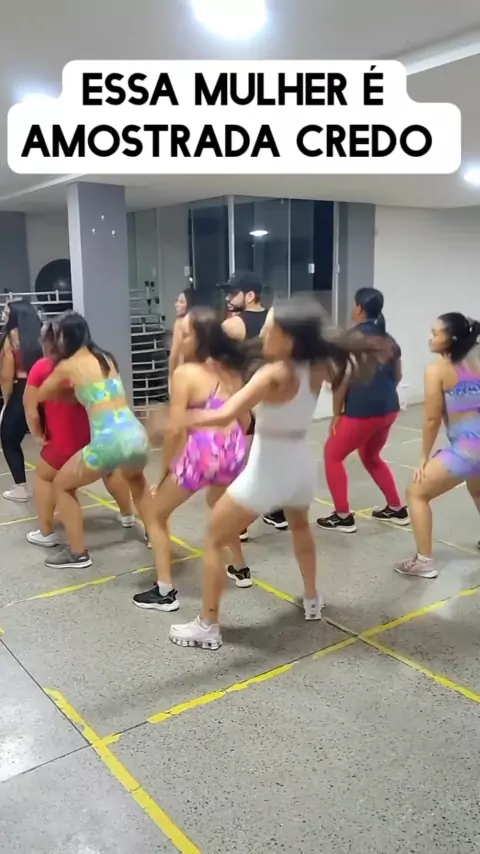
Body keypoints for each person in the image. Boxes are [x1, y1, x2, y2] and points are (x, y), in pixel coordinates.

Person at [167, 298, 391, 650]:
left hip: (267, 471)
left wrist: (177, 419)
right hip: (300, 468)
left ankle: (207, 626)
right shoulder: (318, 366)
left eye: (270, 328)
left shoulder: (273, 374)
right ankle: (313, 599)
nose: (263, 333)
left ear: (289, 338)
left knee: (213, 537)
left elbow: (225, 415)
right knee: (300, 528)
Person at [134, 307, 251, 612]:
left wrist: (164, 472)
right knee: (221, 507)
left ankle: (164, 591)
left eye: (184, 334)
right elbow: (246, 420)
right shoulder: (231, 371)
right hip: (233, 451)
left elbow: (176, 431)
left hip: (202, 455)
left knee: (156, 514)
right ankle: (240, 568)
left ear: (199, 339)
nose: (179, 339)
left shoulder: (185, 374)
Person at [33, 311, 160, 570]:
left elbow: (42, 393)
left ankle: (77, 553)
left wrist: (69, 391)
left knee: (62, 485)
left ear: (65, 338)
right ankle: (154, 536)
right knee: (138, 483)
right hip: (135, 435)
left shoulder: (68, 366)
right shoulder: (106, 358)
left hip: (108, 440)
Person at [24, 320, 134, 559]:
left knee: (45, 476)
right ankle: (128, 514)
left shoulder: (46, 367)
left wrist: (38, 434)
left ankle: (48, 533)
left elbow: (31, 407)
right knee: (111, 471)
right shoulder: (99, 361)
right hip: (104, 435)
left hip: (65, 442)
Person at [395, 313, 480, 579]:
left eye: (435, 333)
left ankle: (424, 561)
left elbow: (432, 419)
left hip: (468, 448)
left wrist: (423, 457)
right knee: (478, 490)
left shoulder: (437, 370)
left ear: (450, 338)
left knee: (416, 492)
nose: (430, 338)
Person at [317, 287, 408, 534]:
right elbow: (398, 375)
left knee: (332, 455)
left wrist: (337, 413)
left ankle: (343, 516)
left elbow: (341, 380)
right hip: (389, 408)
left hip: (362, 411)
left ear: (359, 309)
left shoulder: (349, 340)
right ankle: (396, 509)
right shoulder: (389, 339)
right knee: (371, 456)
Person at [221, 271, 288, 535]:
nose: (228, 298)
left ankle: (240, 523)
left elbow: (219, 363)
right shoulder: (276, 321)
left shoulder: (234, 325)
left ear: (250, 295)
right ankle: (276, 511)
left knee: (243, 462)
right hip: (273, 397)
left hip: (247, 398)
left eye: (232, 293)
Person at [0, 298, 42, 501]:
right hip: (45, 389)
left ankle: (20, 488)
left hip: (22, 389)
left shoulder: (11, 337)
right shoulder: (44, 335)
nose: (3, 315)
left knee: (8, 438)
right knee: (48, 438)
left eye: (6, 312)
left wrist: (7, 402)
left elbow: (6, 376)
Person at [168, 288, 194, 381]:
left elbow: (174, 352)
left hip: (182, 371)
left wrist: (170, 375)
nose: (176, 304)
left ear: (190, 304)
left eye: (181, 302)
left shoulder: (180, 323)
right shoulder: (199, 322)